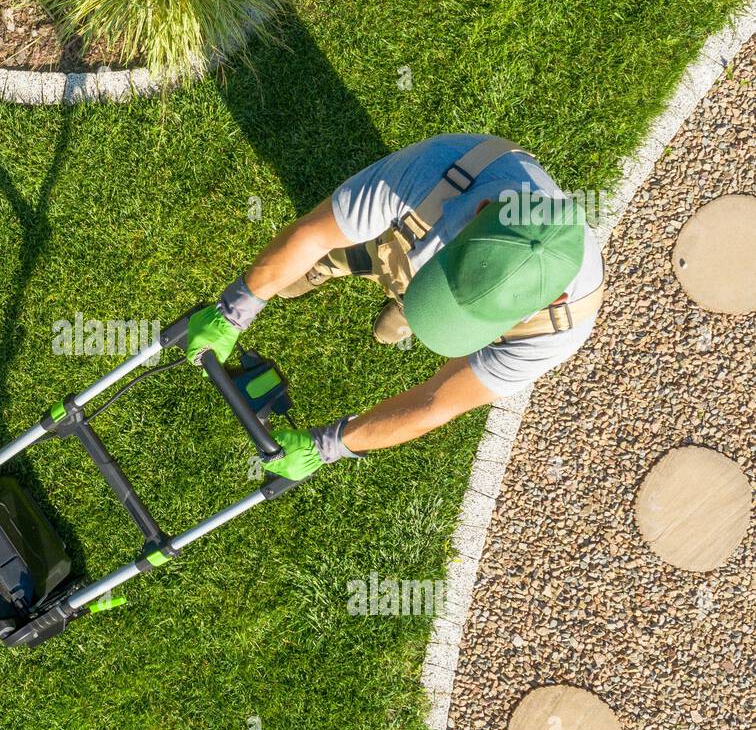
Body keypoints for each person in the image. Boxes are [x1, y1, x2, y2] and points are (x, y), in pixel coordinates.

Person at [185, 133, 604, 480]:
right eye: (441, 291)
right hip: (421, 217)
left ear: (555, 300)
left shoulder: (558, 329)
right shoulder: (435, 173)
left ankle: (407, 299)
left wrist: (331, 444)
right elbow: (312, 235)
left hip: (434, 243)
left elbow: (436, 402)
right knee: (366, 245)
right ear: (480, 210)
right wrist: (232, 311)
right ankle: (349, 261)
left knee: (407, 266)